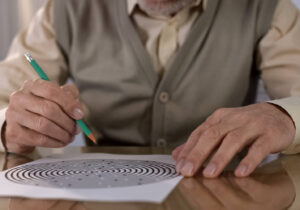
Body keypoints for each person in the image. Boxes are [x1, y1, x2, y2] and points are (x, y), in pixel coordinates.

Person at [0, 0, 300, 178]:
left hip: (223, 194)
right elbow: (5, 97)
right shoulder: (65, 8)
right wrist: (10, 126)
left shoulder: (267, 7)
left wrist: (283, 116)